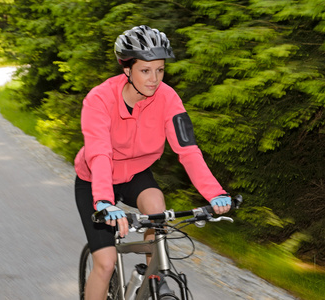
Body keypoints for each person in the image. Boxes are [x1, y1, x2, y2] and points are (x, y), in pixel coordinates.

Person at [74, 25, 231, 300]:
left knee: (157, 209)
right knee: (106, 263)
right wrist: (104, 201)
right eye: (145, 70)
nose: (154, 79)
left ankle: (154, 282)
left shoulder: (169, 98)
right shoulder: (99, 99)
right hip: (95, 181)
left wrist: (214, 192)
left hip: (135, 174)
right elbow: (99, 153)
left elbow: (188, 150)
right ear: (127, 70)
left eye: (160, 70)